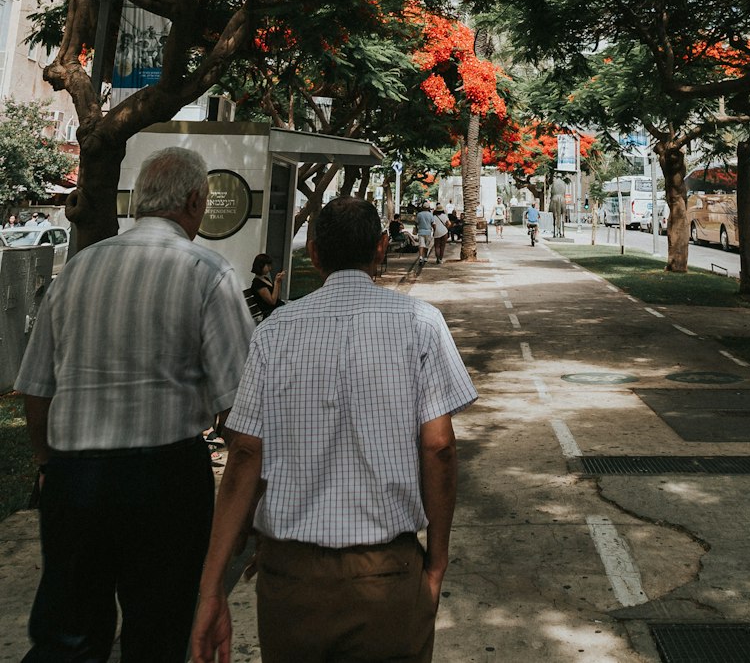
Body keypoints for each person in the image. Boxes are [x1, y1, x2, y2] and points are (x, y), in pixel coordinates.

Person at [191, 197, 477, 663]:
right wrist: (437, 563)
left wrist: (211, 589)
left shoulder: (274, 331)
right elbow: (440, 448)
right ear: (382, 247)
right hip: (387, 574)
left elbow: (245, 456)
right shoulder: (420, 323)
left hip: (290, 577)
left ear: (315, 255)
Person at [15, 147, 253, 663]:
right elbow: (240, 406)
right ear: (194, 202)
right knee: (158, 632)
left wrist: (45, 463)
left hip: (75, 478)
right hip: (165, 481)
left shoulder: (77, 270)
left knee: (67, 634)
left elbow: (36, 387)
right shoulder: (208, 272)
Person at [249, 253, 285, 318]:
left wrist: (278, 282)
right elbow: (272, 302)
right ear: (261, 265)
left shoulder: (265, 278)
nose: (270, 268)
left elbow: (277, 297)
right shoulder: (257, 283)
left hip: (277, 309)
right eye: (268, 266)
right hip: (271, 313)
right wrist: (276, 282)